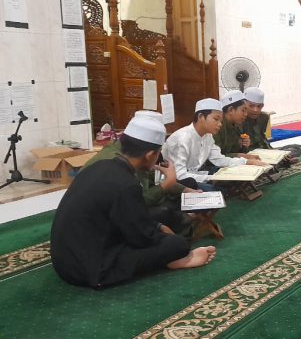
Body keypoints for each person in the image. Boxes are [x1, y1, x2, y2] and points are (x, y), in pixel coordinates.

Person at [50, 116, 216, 288]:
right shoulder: (126, 184)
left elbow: (126, 218)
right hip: (92, 270)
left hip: (64, 263)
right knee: (177, 244)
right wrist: (162, 236)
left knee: (159, 229)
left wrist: (157, 227)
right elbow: (141, 238)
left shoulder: (98, 167)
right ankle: (173, 261)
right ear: (150, 154)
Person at [83, 110, 193, 234]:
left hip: (97, 223)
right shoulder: (119, 168)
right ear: (151, 154)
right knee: (170, 226)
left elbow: (148, 175)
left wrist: (183, 189)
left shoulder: (127, 153)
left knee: (185, 188)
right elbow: (136, 202)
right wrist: (166, 185)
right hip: (99, 229)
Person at [162, 98, 264, 192]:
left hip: (195, 175)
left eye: (221, 120)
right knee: (217, 191)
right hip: (174, 182)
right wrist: (213, 178)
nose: (220, 124)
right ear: (201, 117)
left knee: (232, 177)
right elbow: (179, 175)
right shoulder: (182, 138)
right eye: (216, 119)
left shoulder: (208, 136)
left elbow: (219, 159)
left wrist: (246, 161)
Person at [241, 87, 301, 166]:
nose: (255, 110)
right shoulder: (240, 119)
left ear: (262, 106)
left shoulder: (264, 117)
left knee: (297, 148)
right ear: (244, 105)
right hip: (248, 154)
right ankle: (279, 163)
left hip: (264, 151)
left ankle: (278, 161)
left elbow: (263, 140)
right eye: (251, 106)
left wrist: (275, 154)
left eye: (259, 106)